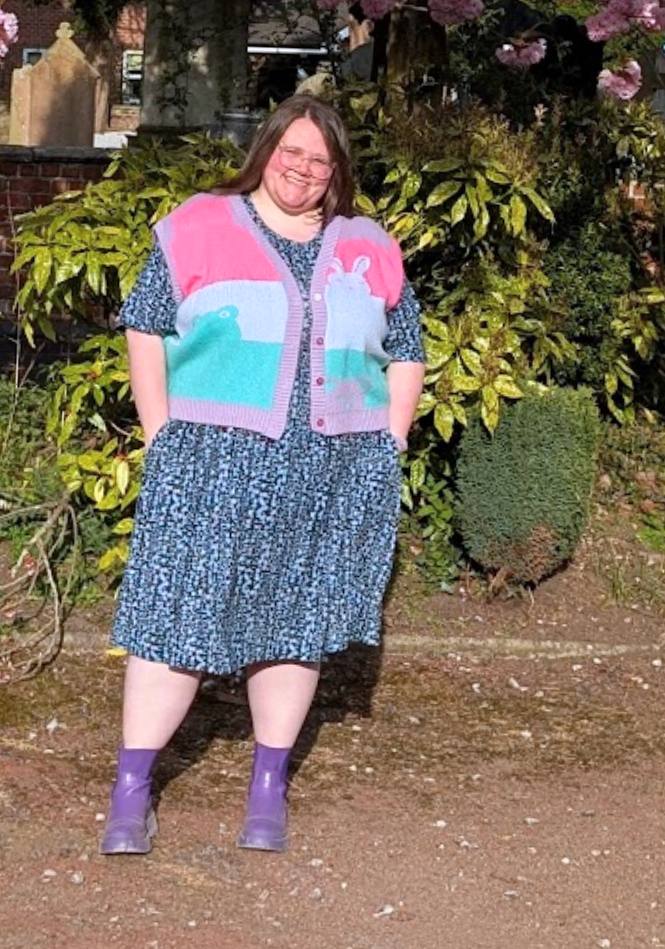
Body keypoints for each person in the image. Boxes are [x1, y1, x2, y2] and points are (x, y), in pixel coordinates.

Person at [100, 93, 426, 857]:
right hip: (210, 461)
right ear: (266, 149)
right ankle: (130, 787)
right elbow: (145, 321)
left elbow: (406, 343)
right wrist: (160, 432)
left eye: (320, 160)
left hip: (332, 462)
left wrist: (393, 441)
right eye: (292, 153)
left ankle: (267, 787)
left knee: (296, 620)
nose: (303, 171)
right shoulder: (199, 224)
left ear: (336, 171)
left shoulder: (366, 243)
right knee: (172, 618)